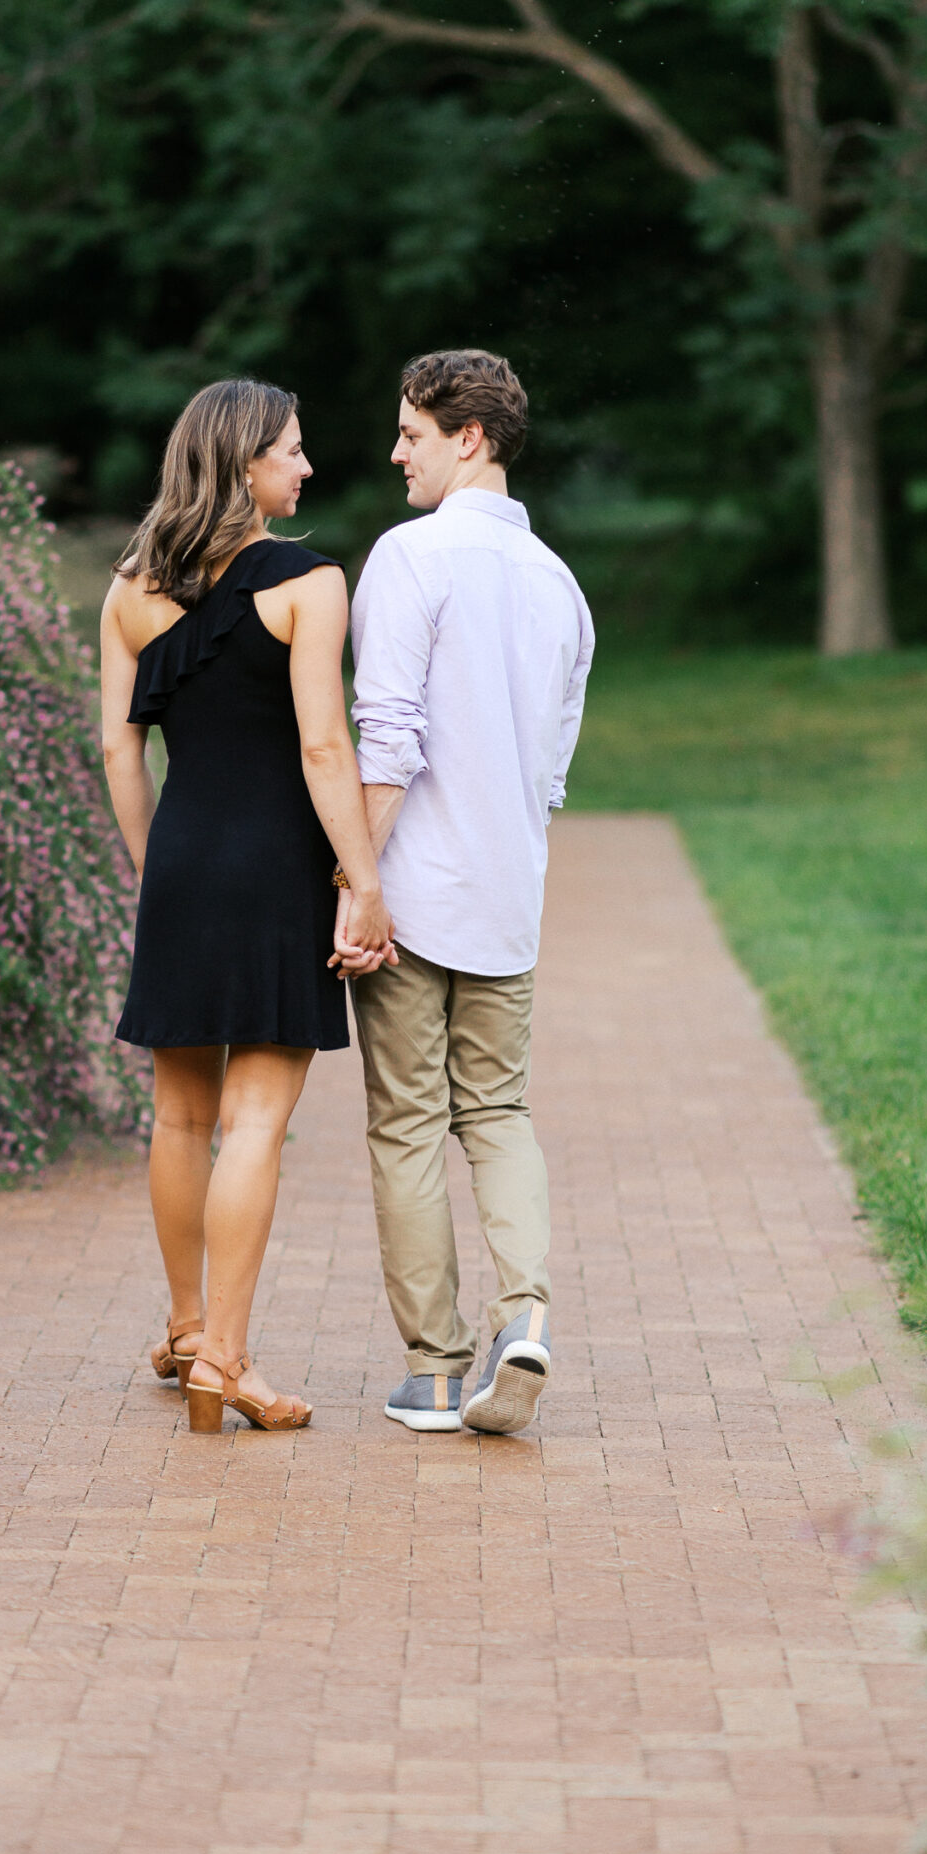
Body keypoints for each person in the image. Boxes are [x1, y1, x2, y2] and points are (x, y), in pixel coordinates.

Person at [101, 379, 392, 1435]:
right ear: (243, 463)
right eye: (291, 451)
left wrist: (155, 871)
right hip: (275, 868)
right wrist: (363, 880)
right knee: (254, 1121)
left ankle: (185, 1332)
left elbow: (118, 750)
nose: (305, 468)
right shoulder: (311, 583)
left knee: (178, 1114)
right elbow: (324, 746)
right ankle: (226, 1358)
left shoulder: (129, 590)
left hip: (180, 863)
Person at [338, 350, 594, 1436]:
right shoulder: (561, 587)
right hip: (507, 898)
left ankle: (440, 1369)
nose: (396, 451)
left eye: (411, 432)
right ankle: (523, 1310)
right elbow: (549, 778)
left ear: (469, 436)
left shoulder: (409, 556)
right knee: (498, 1111)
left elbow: (387, 740)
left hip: (407, 897)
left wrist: (356, 883)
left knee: (405, 1124)